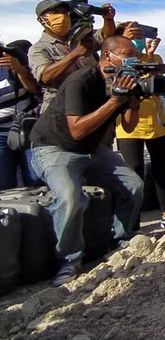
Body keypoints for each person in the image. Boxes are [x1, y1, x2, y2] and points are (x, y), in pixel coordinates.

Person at [29, 36, 145, 286]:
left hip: (91, 149)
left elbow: (129, 125)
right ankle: (69, 260)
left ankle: (120, 242)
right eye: (127, 54)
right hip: (54, 147)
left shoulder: (124, 81)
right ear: (107, 56)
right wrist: (116, 99)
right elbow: (77, 131)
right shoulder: (81, 80)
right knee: (70, 197)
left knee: (134, 186)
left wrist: (133, 103)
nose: (132, 59)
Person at [114, 22, 165, 231]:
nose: (137, 40)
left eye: (140, 36)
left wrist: (150, 55)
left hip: (156, 123)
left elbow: (156, 83)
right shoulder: (119, 60)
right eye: (133, 36)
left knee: (161, 171)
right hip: (129, 126)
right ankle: (133, 222)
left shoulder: (154, 58)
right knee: (134, 173)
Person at [0, 40, 40, 188]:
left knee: (36, 179)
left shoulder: (13, 56)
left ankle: (41, 210)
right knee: (4, 184)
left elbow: (35, 89)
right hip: (1, 135)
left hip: (28, 128)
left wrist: (19, 70)